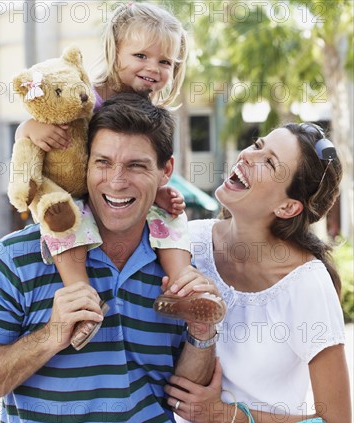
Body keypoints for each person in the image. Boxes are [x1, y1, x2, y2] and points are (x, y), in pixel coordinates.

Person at [0, 93, 222, 423]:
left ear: (165, 172)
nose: (116, 180)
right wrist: (51, 336)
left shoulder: (177, 266)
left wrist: (201, 332)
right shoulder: (14, 258)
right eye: (103, 162)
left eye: (136, 165)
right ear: (84, 165)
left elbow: (182, 394)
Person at [15, 2, 225, 350]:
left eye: (165, 62)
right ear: (115, 51)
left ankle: (182, 285)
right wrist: (30, 127)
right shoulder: (87, 95)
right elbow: (39, 116)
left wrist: (158, 192)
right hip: (69, 194)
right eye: (141, 55)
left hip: (108, 194)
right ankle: (81, 299)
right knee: (67, 221)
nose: (153, 68)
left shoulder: (153, 112)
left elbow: (142, 166)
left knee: (171, 216)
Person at [165, 122, 352, 423]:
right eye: (258, 145)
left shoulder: (306, 284)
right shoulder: (188, 244)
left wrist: (225, 415)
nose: (249, 156)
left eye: (270, 162)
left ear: (287, 207)